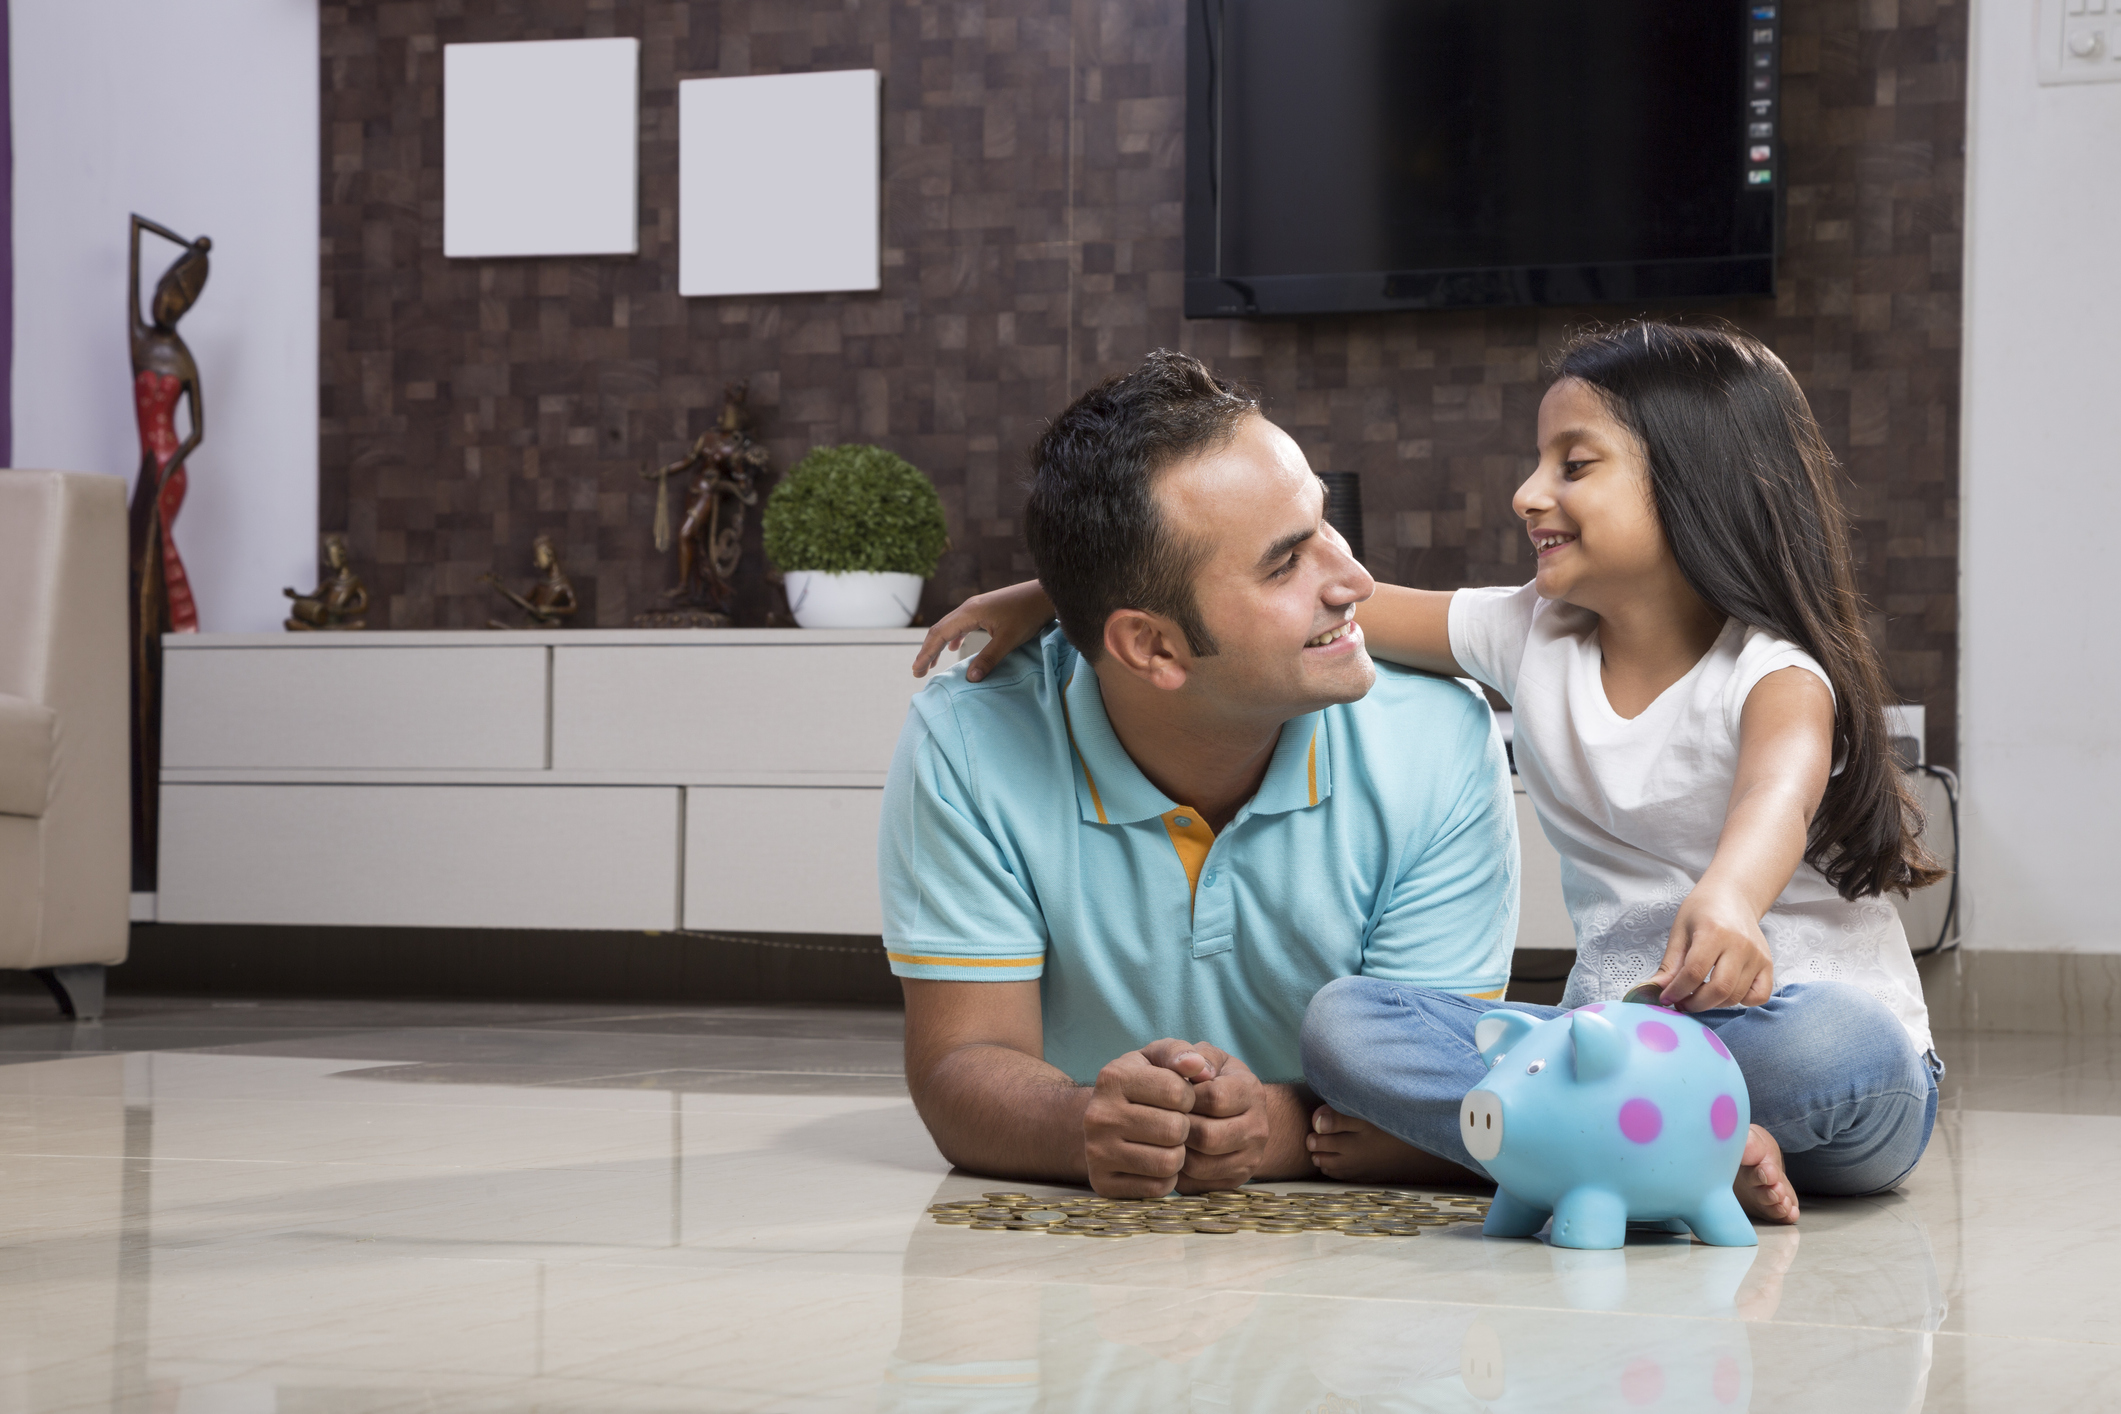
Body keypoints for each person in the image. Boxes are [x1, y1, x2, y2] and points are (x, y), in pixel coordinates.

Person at [937, 321, 1944, 1226]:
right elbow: (1275, 614)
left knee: (1835, 1048)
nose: (1528, 491)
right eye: (1540, 458)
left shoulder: (1770, 671)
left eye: (1575, 463)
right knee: (1345, 1022)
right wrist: (1061, 592)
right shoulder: (1530, 634)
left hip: (1799, 1043)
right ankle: (1648, 1145)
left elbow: (1782, 784)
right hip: (1607, 1050)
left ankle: (1559, 1136)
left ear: (1699, 489)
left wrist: (1730, 900)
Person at [887, 349, 1520, 1197]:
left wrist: (1269, 1127)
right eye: (1284, 562)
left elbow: (1443, 1086)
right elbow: (962, 1064)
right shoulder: (969, 738)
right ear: (1149, 646)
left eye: (1326, 526)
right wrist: (1086, 1126)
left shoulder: (1437, 737)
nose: (1356, 580)